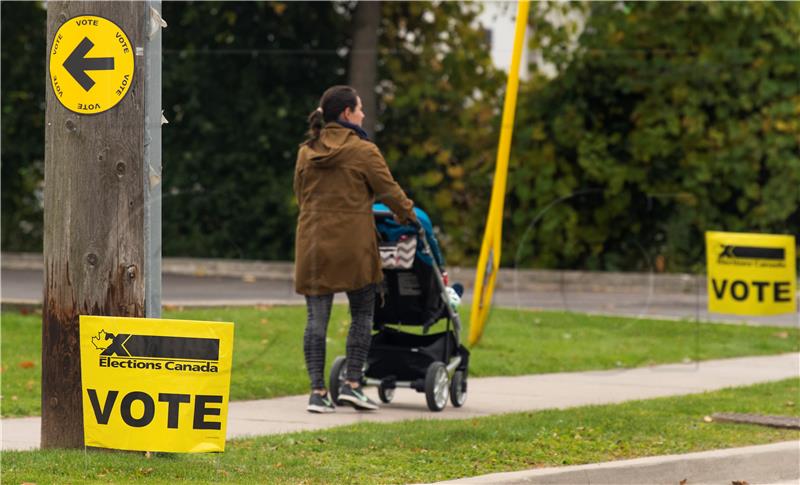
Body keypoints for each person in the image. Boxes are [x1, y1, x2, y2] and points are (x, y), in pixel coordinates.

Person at [294, 85, 417, 413]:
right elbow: (389, 191)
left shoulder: (307, 151)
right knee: (362, 312)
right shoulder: (363, 150)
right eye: (359, 109)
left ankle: (317, 392)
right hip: (354, 248)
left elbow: (300, 195)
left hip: (313, 245)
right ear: (347, 113)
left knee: (315, 320)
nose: (362, 114)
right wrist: (409, 215)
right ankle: (351, 384)